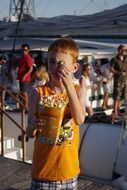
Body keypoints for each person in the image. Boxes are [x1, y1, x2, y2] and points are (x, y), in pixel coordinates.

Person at [26, 37, 86, 190]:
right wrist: (33, 124)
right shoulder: (37, 92)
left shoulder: (78, 90)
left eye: (62, 64)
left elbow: (79, 119)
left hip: (68, 171)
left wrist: (69, 87)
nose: (55, 67)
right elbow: (29, 133)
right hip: (43, 171)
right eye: (52, 62)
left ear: (74, 67)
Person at [110, 44, 127, 119]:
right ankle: (115, 112)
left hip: (125, 80)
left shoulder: (126, 58)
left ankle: (118, 110)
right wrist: (119, 73)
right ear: (120, 50)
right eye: (124, 50)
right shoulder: (114, 59)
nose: (126, 51)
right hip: (118, 81)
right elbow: (111, 69)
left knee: (122, 97)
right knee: (116, 97)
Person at [15, 43, 33, 109]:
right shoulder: (22, 57)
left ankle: (26, 106)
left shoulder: (28, 57)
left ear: (28, 50)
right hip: (21, 77)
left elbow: (31, 68)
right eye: (22, 50)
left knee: (24, 92)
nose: (23, 51)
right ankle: (23, 106)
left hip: (25, 78)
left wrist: (25, 75)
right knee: (22, 92)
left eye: (25, 50)